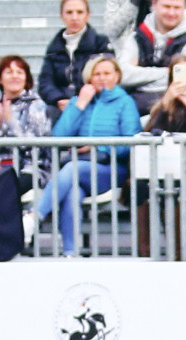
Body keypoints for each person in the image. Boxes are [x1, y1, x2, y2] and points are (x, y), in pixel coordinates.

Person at [39, 51, 137, 253]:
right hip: (81, 168)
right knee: (73, 193)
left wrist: (98, 147)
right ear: (89, 78)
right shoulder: (79, 101)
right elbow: (59, 138)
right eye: (97, 74)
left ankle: (35, 217)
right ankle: (70, 253)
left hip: (110, 169)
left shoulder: (125, 103)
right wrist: (80, 104)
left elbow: (131, 143)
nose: (102, 78)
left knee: (73, 169)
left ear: (116, 76)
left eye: (107, 73)